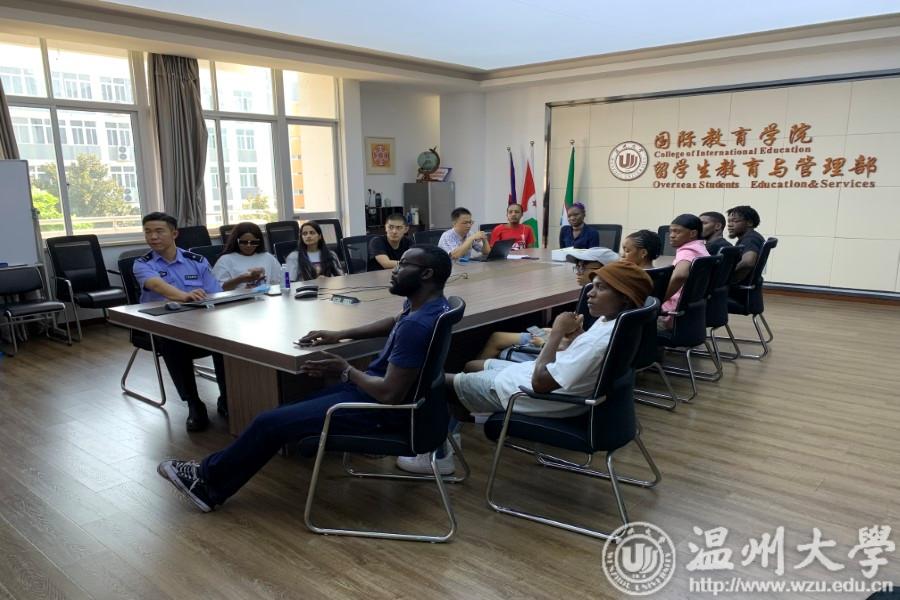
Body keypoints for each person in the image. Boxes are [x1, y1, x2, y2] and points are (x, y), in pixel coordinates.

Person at [156, 246, 453, 513]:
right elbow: (393, 323)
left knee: (268, 423)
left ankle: (207, 484)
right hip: (386, 399)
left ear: (426, 274)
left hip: (381, 411)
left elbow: (389, 394)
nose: (395, 270)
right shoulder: (431, 307)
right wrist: (340, 334)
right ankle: (210, 478)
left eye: (403, 265)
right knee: (281, 413)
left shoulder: (417, 325)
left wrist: (345, 369)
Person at [420, 262, 651, 473]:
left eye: (600, 288)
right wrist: (576, 336)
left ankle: (440, 456)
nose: (590, 292)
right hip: (532, 379)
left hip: (529, 395)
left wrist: (557, 332)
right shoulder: (615, 321)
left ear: (625, 297)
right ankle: (460, 426)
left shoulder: (600, 342)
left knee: (436, 382)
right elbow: (581, 355)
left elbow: (540, 384)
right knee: (472, 366)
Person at [133, 212, 228, 430]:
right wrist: (183, 296)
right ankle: (194, 403)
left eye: (159, 231)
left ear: (174, 233)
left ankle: (226, 398)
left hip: (201, 323)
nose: (153, 237)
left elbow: (215, 294)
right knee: (173, 343)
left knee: (227, 342)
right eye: (148, 232)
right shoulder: (142, 263)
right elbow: (157, 286)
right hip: (163, 326)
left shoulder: (196, 261)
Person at [472, 247, 619, 361]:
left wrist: (548, 341)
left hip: (559, 352)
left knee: (483, 358)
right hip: (563, 340)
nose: (578, 272)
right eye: (577, 266)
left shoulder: (605, 305)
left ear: (606, 270)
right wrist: (556, 331)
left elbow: (584, 348)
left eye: (583, 267)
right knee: (497, 337)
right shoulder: (594, 295)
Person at [660, 214, 709, 329]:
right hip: (689, 311)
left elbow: (680, 276)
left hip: (671, 313)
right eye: (671, 231)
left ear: (693, 233)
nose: (671, 235)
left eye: (677, 232)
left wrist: (660, 299)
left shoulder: (687, 251)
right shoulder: (700, 248)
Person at [213, 222, 282, 290]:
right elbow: (217, 288)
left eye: (253, 242)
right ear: (236, 241)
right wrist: (240, 279)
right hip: (238, 297)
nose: (249, 246)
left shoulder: (268, 257)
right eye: (243, 242)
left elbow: (279, 282)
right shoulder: (225, 260)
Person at [727, 205, 765, 283]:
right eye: (729, 221)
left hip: (740, 287)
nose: (729, 225)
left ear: (749, 223)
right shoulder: (752, 237)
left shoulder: (750, 239)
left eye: (735, 221)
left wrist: (727, 275)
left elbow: (748, 262)